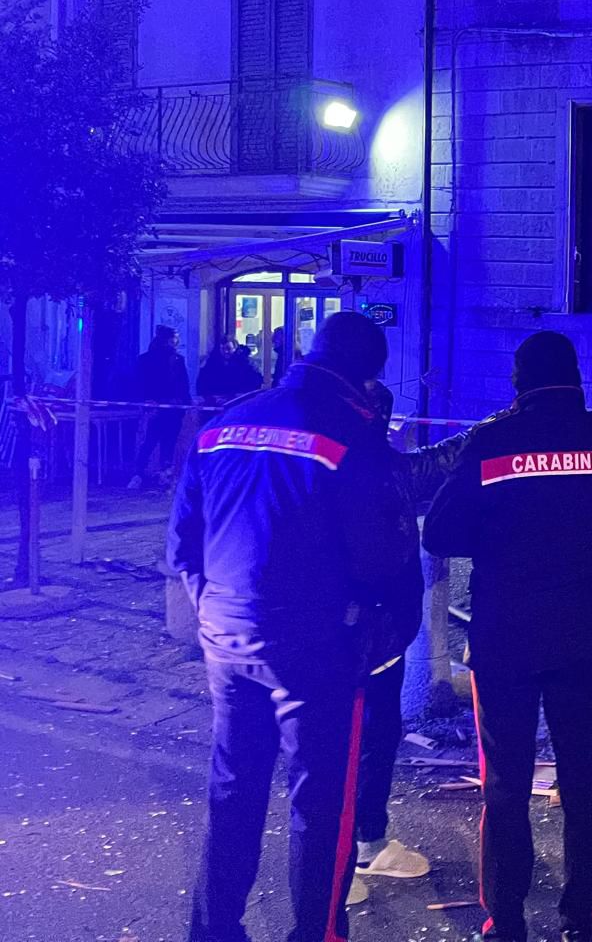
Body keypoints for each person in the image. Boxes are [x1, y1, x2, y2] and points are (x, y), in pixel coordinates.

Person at [168, 312, 412, 942]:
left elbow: (182, 542)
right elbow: (382, 558)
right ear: (367, 378)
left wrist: (212, 609)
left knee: (233, 790)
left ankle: (213, 932)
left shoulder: (226, 423)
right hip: (316, 647)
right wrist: (378, 634)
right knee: (321, 804)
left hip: (226, 635)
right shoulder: (354, 437)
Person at [424, 331, 592, 942]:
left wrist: (502, 533)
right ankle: (581, 917)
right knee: (584, 775)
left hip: (507, 633)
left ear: (518, 383)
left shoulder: (491, 441)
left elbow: (439, 533)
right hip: (585, 630)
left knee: (505, 783)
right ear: (576, 378)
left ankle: (506, 921)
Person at [343, 380, 477, 903]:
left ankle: (362, 847)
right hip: (367, 634)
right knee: (359, 743)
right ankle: (344, 865)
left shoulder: (327, 459)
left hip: (363, 633)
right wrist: (501, 424)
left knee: (364, 740)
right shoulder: (376, 468)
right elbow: (443, 460)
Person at [129, 325, 191, 490]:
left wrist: (183, 405)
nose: (176, 342)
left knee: (169, 442)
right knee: (150, 440)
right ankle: (138, 473)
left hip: (173, 408)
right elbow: (139, 383)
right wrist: (146, 401)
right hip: (155, 408)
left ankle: (165, 474)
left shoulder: (177, 360)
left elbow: (183, 384)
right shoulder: (146, 360)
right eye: (173, 339)